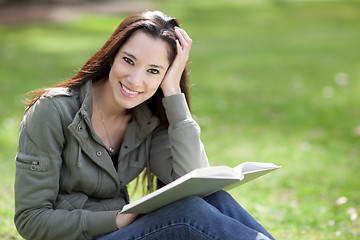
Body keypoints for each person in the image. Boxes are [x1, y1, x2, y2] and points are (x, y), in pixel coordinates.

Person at [14, 10, 275, 240]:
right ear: (112, 55)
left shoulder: (148, 118)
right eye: (129, 61)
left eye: (153, 71)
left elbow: (195, 180)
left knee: (213, 198)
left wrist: (173, 92)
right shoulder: (53, 110)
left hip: (124, 232)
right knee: (189, 213)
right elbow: (30, 220)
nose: (135, 81)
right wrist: (116, 219)